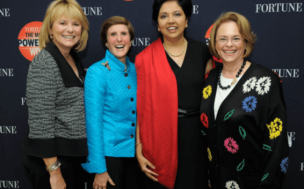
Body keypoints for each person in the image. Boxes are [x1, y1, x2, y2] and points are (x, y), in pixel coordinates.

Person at [200, 12, 289, 189]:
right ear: (215, 44)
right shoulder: (210, 78)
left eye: (236, 38)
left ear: (246, 42)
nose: (229, 44)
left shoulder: (266, 81)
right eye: (222, 39)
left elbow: (277, 143)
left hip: (251, 183)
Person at [135, 0, 212, 188]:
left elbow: (212, 99)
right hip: (160, 139)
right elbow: (141, 110)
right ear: (157, 24)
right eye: (164, 16)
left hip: (198, 138)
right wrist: (138, 148)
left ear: (186, 20)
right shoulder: (144, 58)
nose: (171, 21)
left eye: (177, 14)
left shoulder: (203, 51)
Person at [22, 0, 90, 189]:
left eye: (76, 24)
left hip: (71, 156)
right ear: (50, 29)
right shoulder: (45, 62)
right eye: (63, 23)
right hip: (52, 162)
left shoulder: (72, 58)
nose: (70, 29)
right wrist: (54, 171)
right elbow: (40, 122)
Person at [81, 16, 140, 189]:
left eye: (124, 33)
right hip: (109, 157)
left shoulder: (137, 69)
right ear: (106, 42)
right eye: (113, 34)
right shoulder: (96, 72)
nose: (119, 39)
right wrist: (99, 169)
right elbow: (93, 124)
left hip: (136, 156)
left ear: (130, 40)